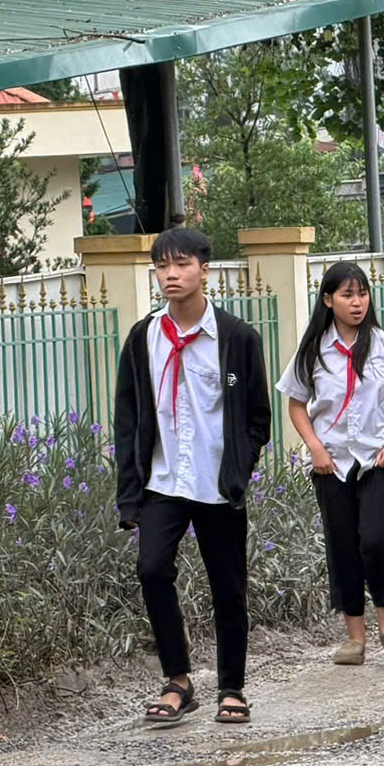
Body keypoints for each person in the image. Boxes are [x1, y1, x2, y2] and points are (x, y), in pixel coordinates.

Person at [111, 225, 271, 726]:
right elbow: (129, 416)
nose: (171, 275)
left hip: (216, 485)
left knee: (228, 586)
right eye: (162, 266)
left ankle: (232, 687)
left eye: (182, 265)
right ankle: (178, 680)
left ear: (205, 269)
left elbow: (257, 418)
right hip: (163, 482)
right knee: (151, 570)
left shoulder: (238, 338)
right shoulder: (144, 338)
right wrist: (129, 487)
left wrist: (239, 468)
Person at [278, 259, 384, 668]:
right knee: (342, 548)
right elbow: (295, 403)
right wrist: (315, 448)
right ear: (329, 300)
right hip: (332, 466)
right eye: (347, 295)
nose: (357, 302)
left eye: (362, 293)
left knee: (375, 540)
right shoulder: (314, 351)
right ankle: (354, 637)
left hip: (378, 461)